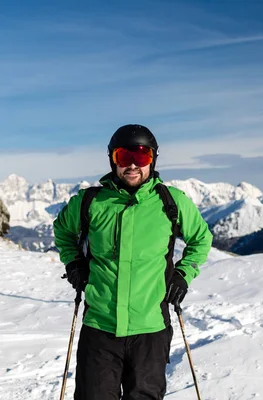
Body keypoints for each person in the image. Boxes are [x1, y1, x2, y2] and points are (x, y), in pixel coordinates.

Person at [53, 124, 213, 399]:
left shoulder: (171, 202)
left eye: (141, 157)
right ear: (113, 160)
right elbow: (63, 231)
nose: (132, 165)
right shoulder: (91, 201)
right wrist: (74, 264)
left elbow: (201, 240)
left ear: (152, 160)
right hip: (100, 327)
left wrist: (183, 275)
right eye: (123, 157)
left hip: (150, 329)